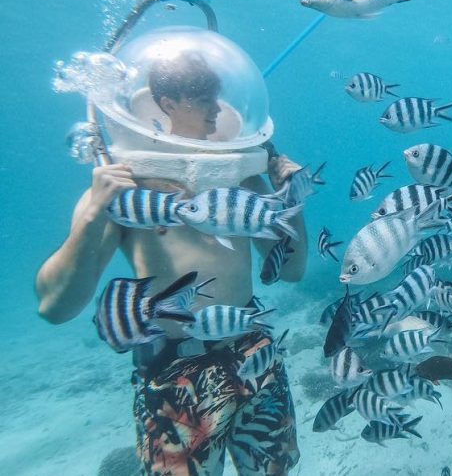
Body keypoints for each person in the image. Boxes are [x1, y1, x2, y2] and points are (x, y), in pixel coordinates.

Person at [35, 52, 307, 475]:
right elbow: (55, 306)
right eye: (204, 101)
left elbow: (291, 271)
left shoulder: (242, 178)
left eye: (217, 98)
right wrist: (92, 214)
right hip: (174, 372)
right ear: (167, 103)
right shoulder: (126, 190)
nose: (218, 109)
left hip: (253, 350)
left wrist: (292, 200)